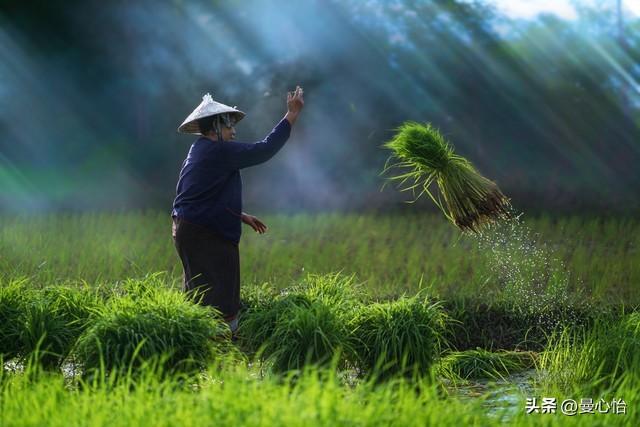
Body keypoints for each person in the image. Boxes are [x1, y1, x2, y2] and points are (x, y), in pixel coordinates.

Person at [171, 86, 305, 335]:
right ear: (217, 127)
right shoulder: (218, 150)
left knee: (199, 289)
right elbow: (264, 150)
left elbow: (201, 194)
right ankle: (224, 343)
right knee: (220, 289)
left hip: (187, 227)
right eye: (229, 126)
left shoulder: (199, 149)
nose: (233, 132)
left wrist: (240, 215)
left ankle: (195, 338)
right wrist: (292, 115)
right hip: (203, 232)